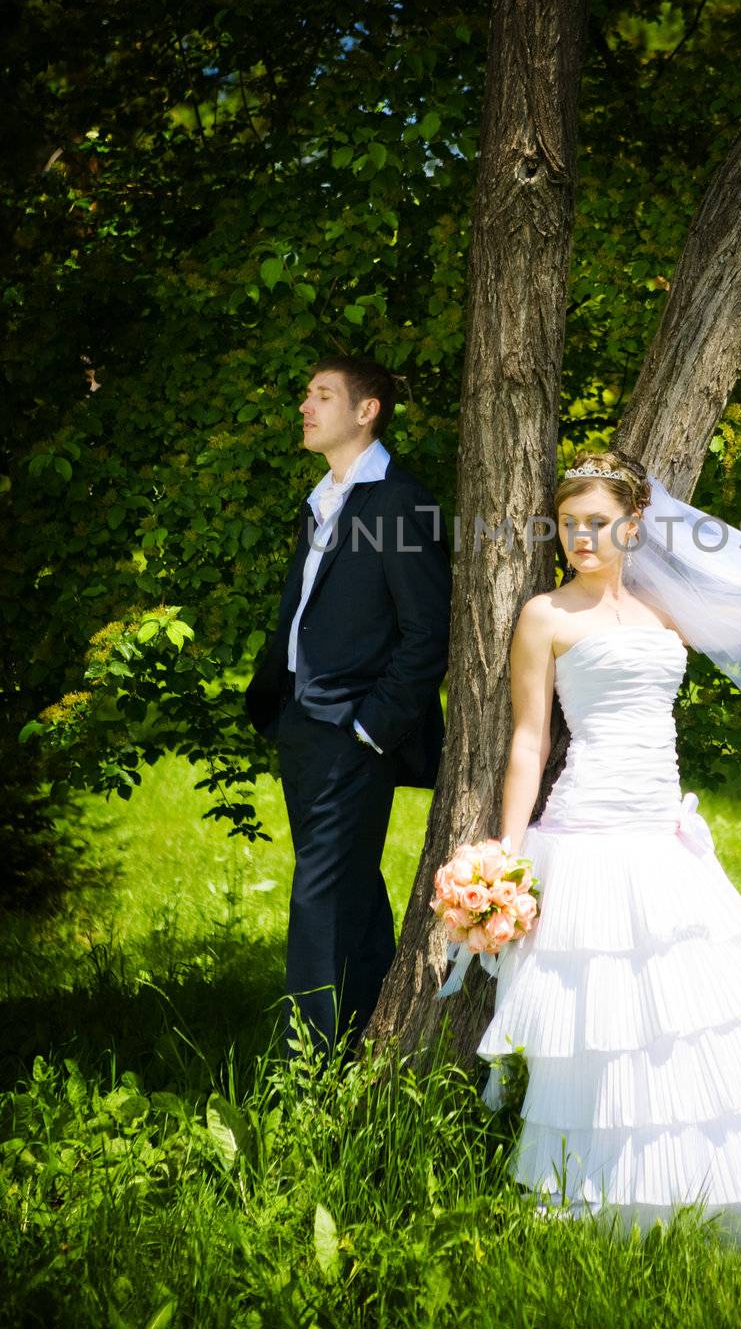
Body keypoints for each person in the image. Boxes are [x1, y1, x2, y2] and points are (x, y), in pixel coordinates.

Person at [474, 448, 741, 1242]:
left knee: (692, 1010)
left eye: (598, 523)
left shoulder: (662, 608)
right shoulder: (546, 615)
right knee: (601, 1018)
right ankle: (603, 1194)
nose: (581, 537)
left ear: (633, 525)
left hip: (662, 833)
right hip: (586, 830)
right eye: (570, 524)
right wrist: (506, 858)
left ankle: (719, 1178)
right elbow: (529, 743)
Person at [245, 356, 451, 1058]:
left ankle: (308, 1075)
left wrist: (371, 727)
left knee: (320, 904)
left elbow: (428, 631)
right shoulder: (326, 497)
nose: (305, 406)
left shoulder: (399, 502)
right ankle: (365, 1043)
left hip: (351, 730)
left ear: (366, 411)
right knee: (347, 895)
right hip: (302, 722)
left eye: (322, 395)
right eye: (306, 394)